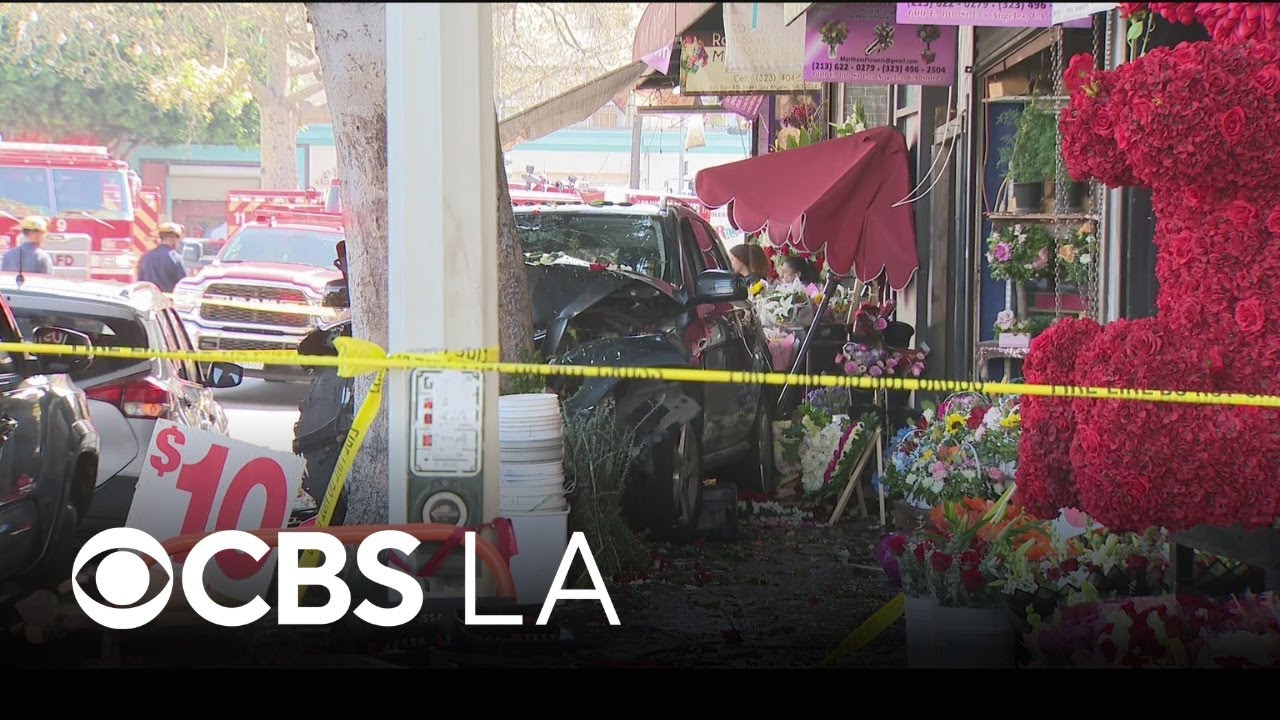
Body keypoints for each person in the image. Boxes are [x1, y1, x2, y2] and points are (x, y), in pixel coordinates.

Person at [138, 222, 189, 293]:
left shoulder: (146, 257)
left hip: (150, 298)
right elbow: (184, 284)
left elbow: (140, 281)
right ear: (173, 238)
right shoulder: (176, 258)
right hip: (169, 299)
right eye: (178, 239)